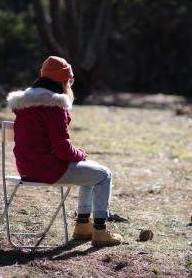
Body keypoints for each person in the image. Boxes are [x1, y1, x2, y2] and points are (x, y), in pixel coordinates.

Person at [6, 56, 122, 247]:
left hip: (26, 168)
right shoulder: (54, 105)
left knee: (91, 169)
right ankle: (100, 231)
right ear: (62, 80)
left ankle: (83, 226)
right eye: (70, 80)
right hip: (48, 169)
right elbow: (62, 150)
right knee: (104, 175)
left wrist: (79, 157)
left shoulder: (25, 104)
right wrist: (80, 154)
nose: (70, 84)